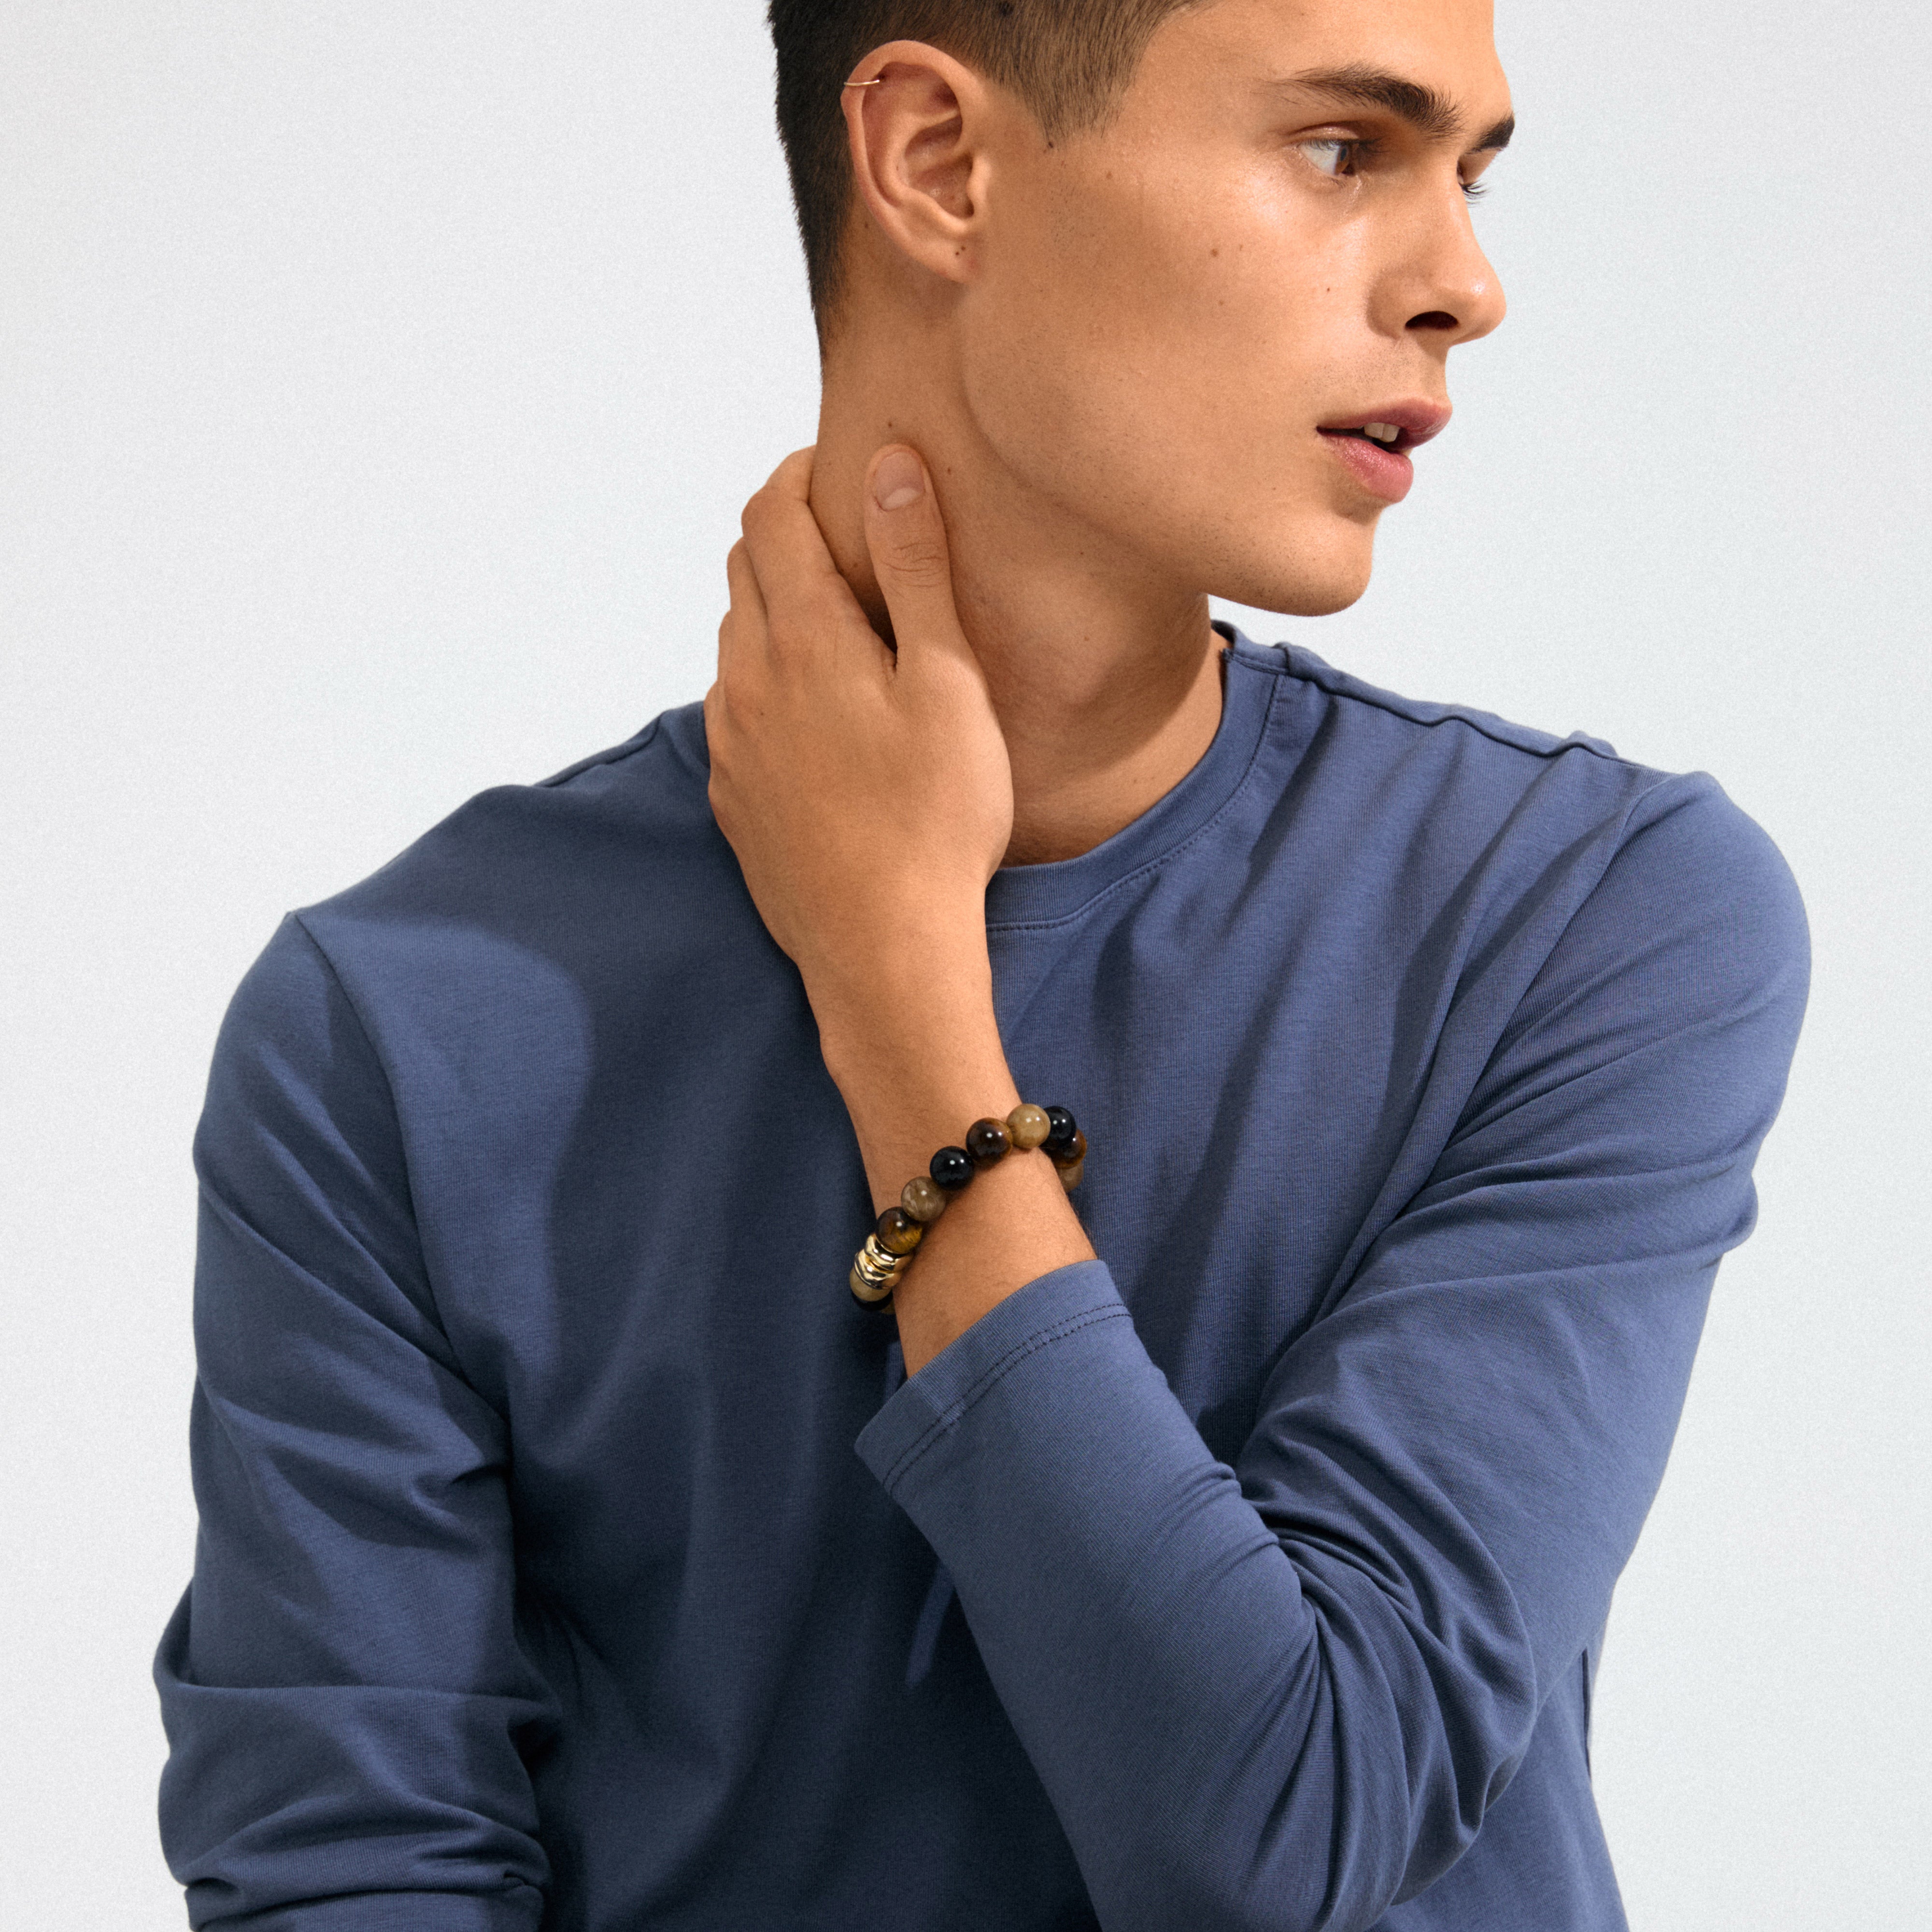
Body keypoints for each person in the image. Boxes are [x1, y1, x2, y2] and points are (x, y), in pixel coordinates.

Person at [154, 1, 1808, 1927]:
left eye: (1474, 170)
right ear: (939, 162)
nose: (1465, 283)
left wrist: (902, 996)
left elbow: (1285, 1831)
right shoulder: (401, 1026)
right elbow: (351, 1878)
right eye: (1347, 149)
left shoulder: (1583, 920)